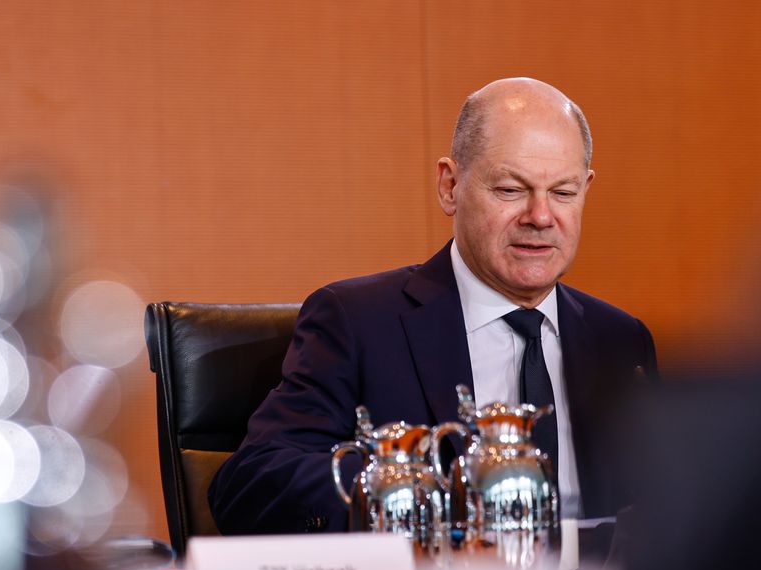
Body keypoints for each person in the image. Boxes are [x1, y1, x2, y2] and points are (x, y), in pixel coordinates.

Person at [209, 78, 657, 535]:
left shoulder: (621, 341)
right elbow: (252, 484)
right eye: (510, 190)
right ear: (450, 186)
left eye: (563, 193)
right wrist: (412, 495)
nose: (541, 217)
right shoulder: (357, 322)